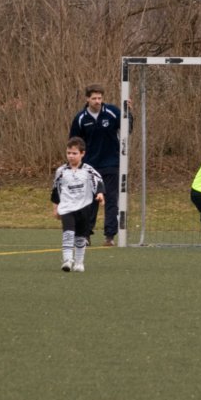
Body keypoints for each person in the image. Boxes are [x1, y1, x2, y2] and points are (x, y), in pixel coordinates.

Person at [69, 84, 132, 246]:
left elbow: (128, 129)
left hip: (111, 163)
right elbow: (75, 142)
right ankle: (86, 235)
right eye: (94, 98)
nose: (97, 101)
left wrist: (129, 113)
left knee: (111, 199)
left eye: (99, 98)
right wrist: (75, 164)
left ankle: (109, 236)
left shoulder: (112, 112)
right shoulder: (81, 118)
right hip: (90, 166)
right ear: (87, 99)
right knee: (90, 201)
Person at [51, 137, 105, 272]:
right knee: (68, 233)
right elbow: (56, 190)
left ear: (82, 153)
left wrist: (100, 194)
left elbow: (98, 182)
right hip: (67, 208)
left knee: (81, 237)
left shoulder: (88, 170)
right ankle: (67, 260)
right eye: (68, 153)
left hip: (84, 208)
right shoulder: (61, 171)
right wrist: (55, 208)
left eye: (74, 153)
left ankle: (79, 262)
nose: (71, 156)